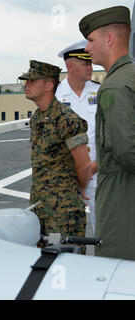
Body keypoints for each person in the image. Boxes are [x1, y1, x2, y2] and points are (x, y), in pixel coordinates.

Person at [79, 6, 135, 260]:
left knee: (117, 271)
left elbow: (127, 151)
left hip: (121, 201)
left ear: (109, 39)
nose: (87, 48)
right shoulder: (130, 76)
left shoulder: (114, 87)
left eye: (91, 40)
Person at [19, 60, 91, 248]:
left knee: (65, 262)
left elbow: (83, 164)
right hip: (40, 208)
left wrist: (76, 190)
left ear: (49, 85)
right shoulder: (37, 117)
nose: (26, 85)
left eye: (32, 81)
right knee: (44, 262)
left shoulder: (66, 119)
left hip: (63, 213)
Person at [55, 40, 100, 234]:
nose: (90, 68)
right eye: (85, 63)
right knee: (66, 231)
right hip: (68, 175)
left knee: (104, 227)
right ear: (69, 65)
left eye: (90, 63)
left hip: (97, 171)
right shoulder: (55, 95)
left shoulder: (100, 92)